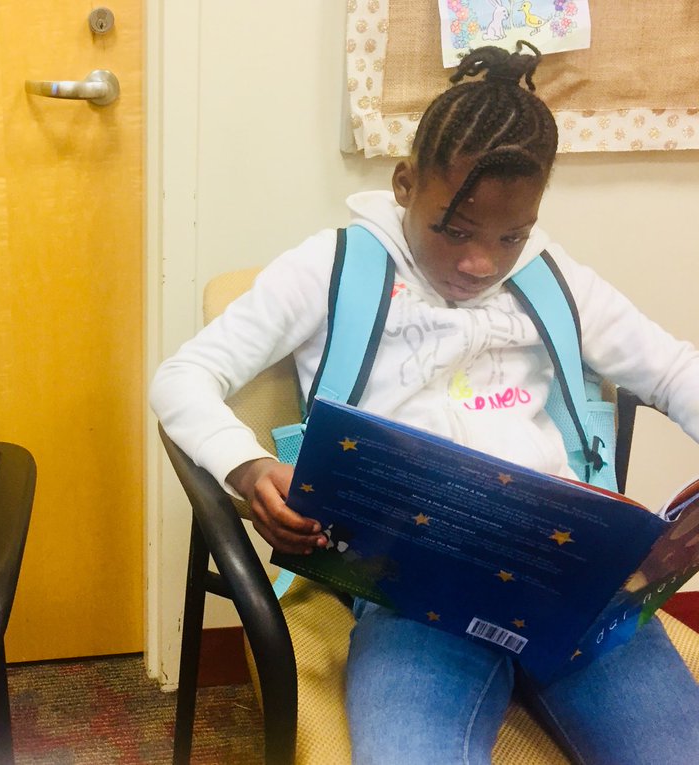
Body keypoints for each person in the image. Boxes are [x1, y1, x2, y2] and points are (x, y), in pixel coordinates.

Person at [151, 43, 699, 765]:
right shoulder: (332, 267)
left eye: (511, 235)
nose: (481, 262)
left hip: (569, 582)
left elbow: (676, 370)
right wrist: (248, 467)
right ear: (405, 183)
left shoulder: (554, 277)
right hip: (412, 589)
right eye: (455, 229)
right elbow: (183, 376)